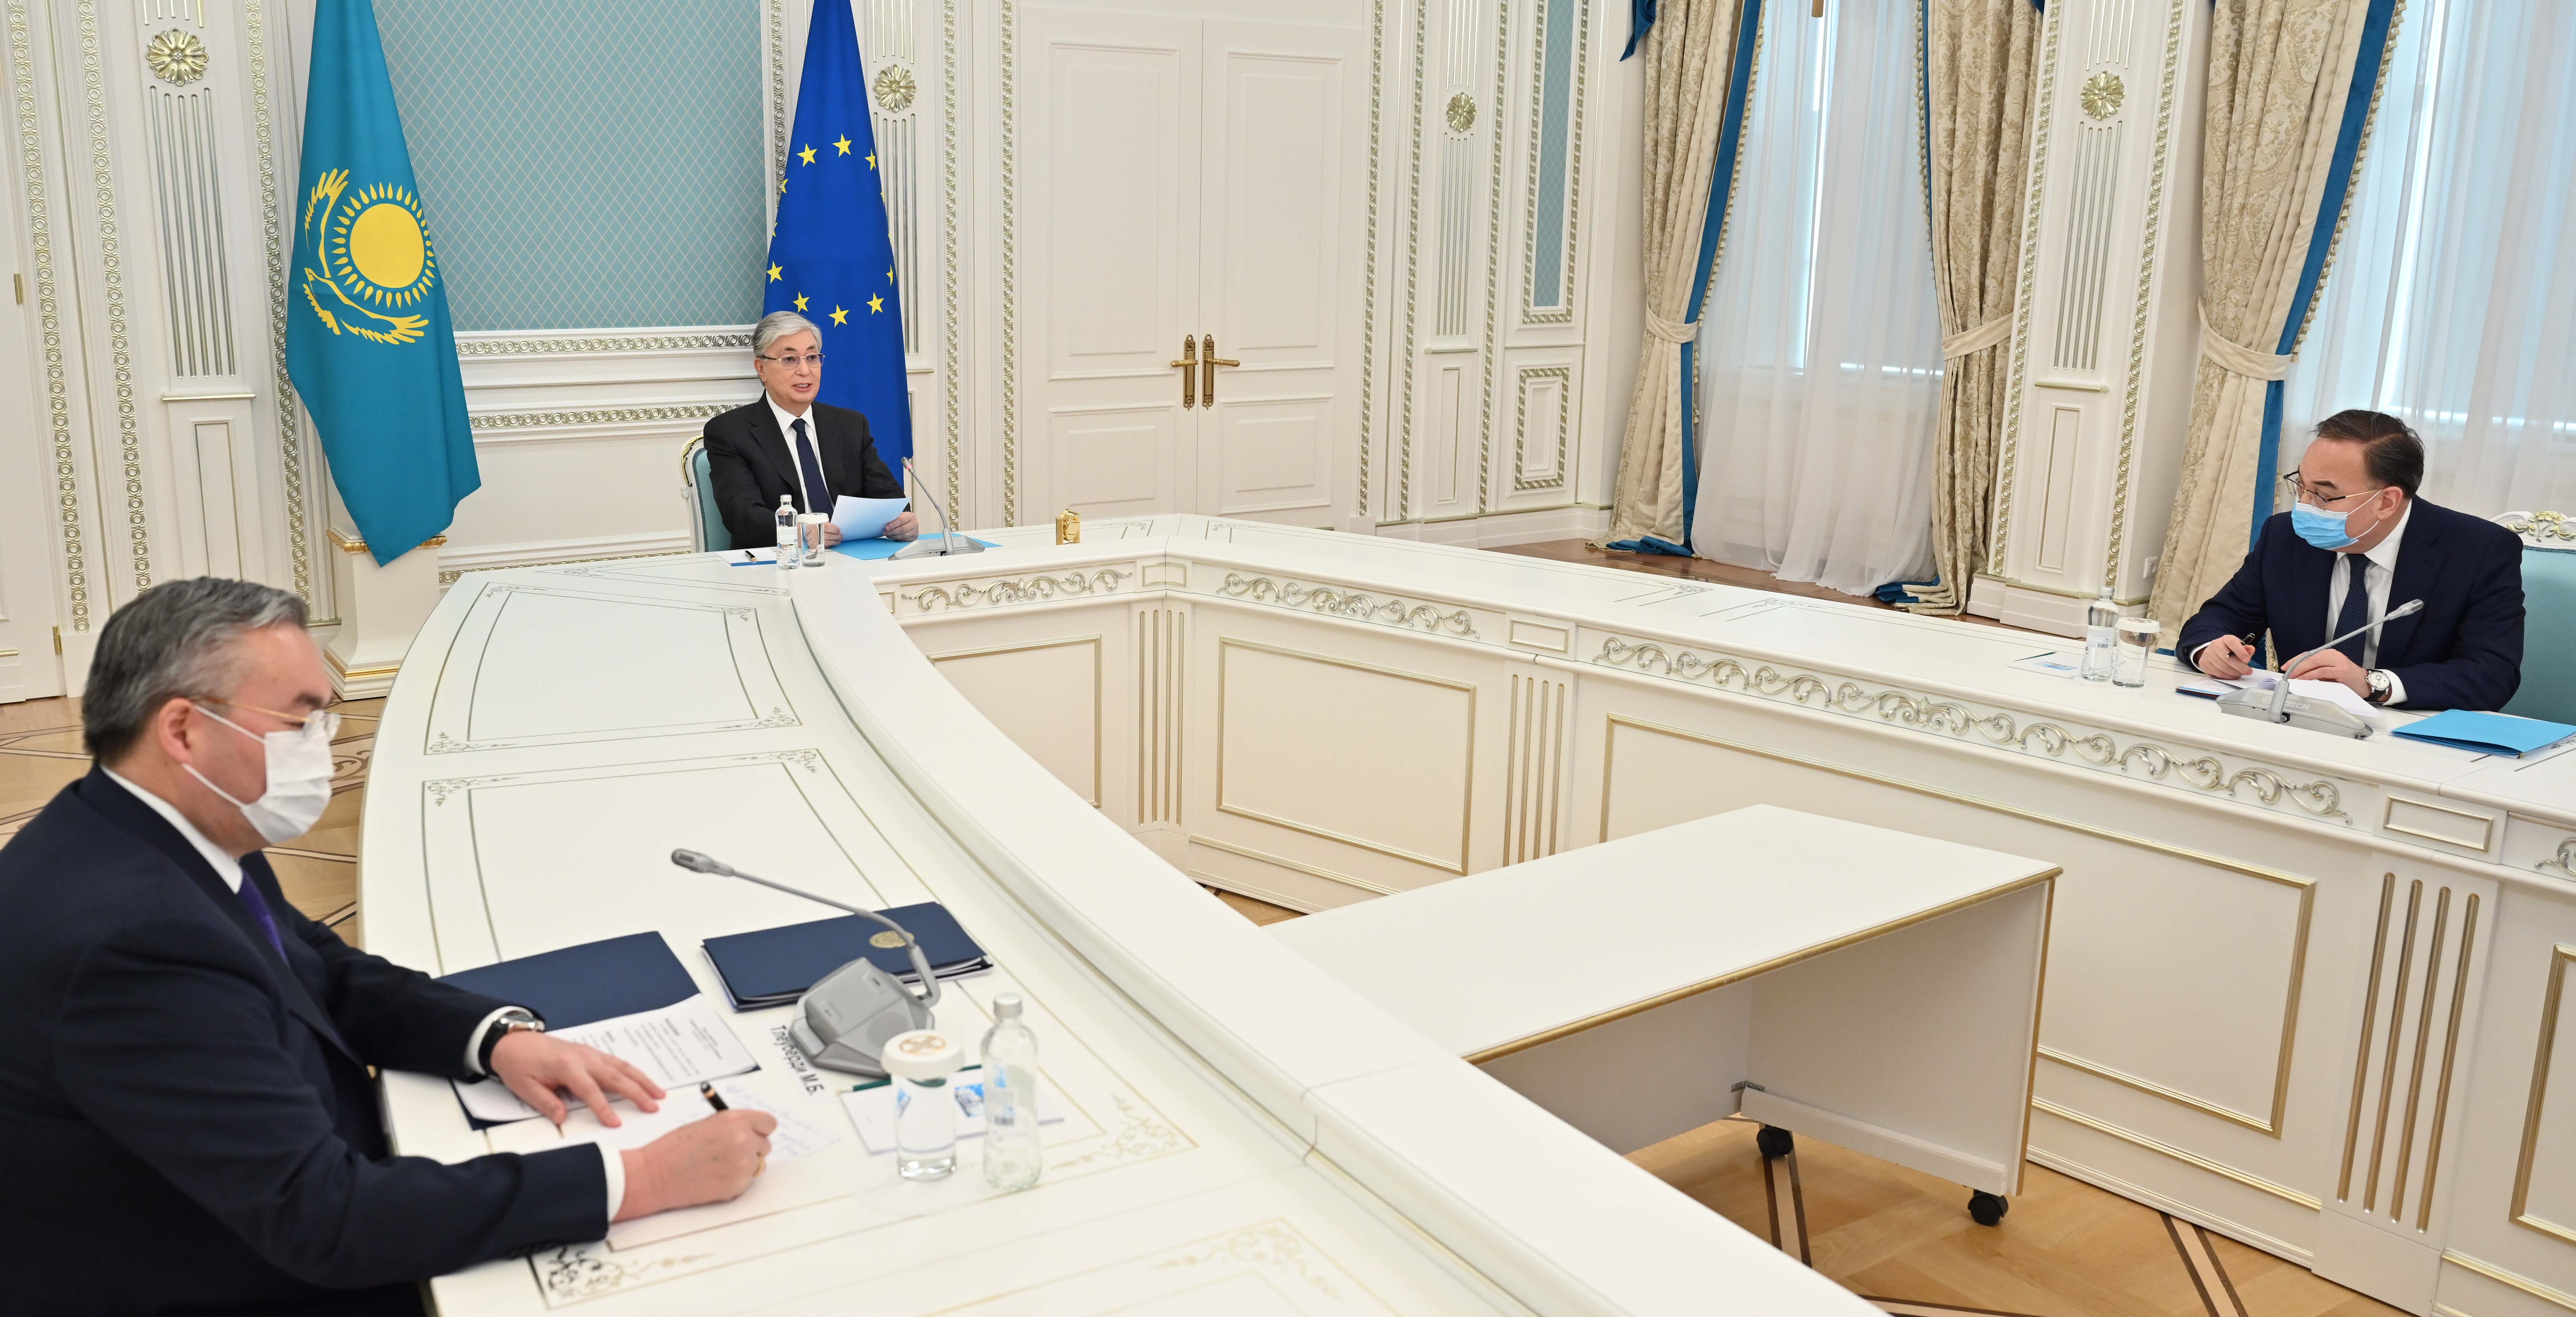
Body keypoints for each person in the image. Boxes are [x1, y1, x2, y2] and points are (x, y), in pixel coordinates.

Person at [0, 578, 778, 1315]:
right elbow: (324, 1218)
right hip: (222, 1280)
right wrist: (640, 1177)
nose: (323, 747)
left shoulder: (146, 825)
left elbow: (318, 969)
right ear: (182, 730)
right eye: (299, 720)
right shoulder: (134, 940)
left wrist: (493, 1039)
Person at [2178, 410, 2524, 712]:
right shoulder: (2286, 537)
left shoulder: (2478, 551)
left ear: (2387, 502)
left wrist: (2372, 683)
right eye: (2301, 486)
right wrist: (2210, 650)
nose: (2304, 505)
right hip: (2296, 721)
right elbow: (2218, 619)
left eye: (2323, 495)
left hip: (2409, 734)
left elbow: (2492, 675)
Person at [701, 310, 920, 551]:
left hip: (850, 556)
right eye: (790, 359)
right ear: (761, 369)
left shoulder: (850, 425)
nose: (805, 371)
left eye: (812, 357)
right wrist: (800, 532)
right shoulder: (730, 432)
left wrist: (903, 521)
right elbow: (742, 516)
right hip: (778, 560)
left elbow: (889, 498)